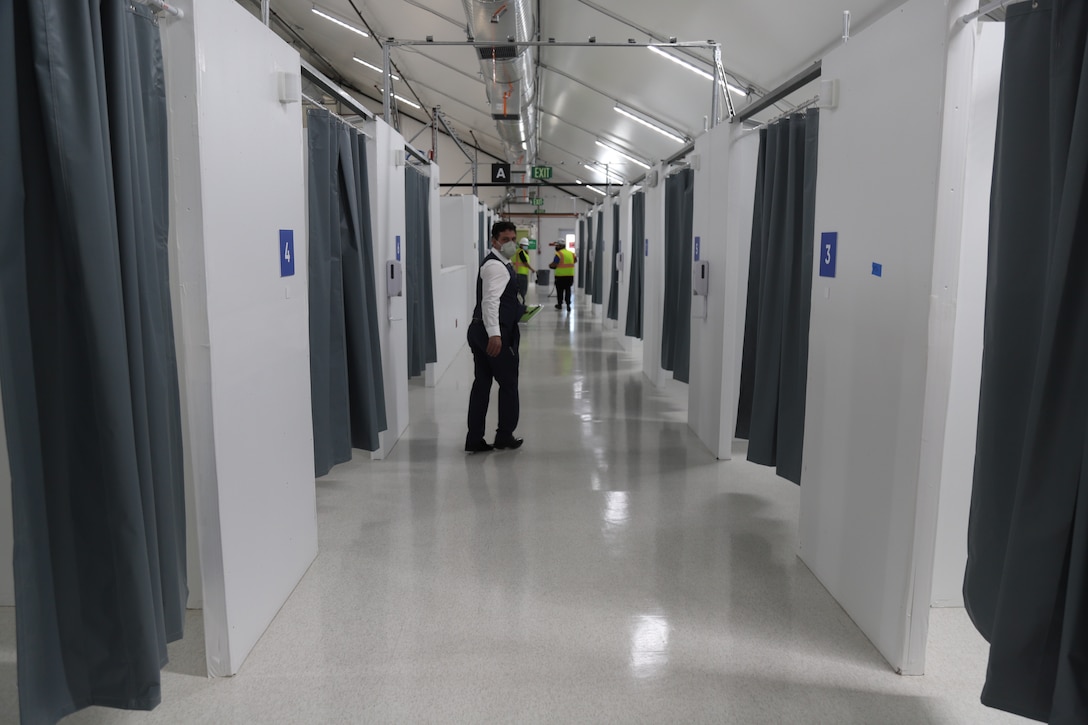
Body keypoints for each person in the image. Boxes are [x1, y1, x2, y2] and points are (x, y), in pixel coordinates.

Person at [465, 221, 525, 453]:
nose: (510, 243)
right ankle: (504, 435)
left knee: (482, 384)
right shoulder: (496, 267)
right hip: (492, 332)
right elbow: (490, 302)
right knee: (509, 384)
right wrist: (496, 335)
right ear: (494, 241)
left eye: (513, 239)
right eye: (505, 240)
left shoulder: (502, 263)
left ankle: (474, 439)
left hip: (482, 329)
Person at [548, 240, 577, 311]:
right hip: (570, 276)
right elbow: (575, 260)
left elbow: (555, 263)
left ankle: (559, 304)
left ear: (561, 246)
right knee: (568, 290)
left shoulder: (559, 254)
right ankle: (568, 305)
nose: (556, 247)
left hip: (560, 276)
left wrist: (550, 265)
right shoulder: (571, 253)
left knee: (559, 291)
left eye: (557, 245)